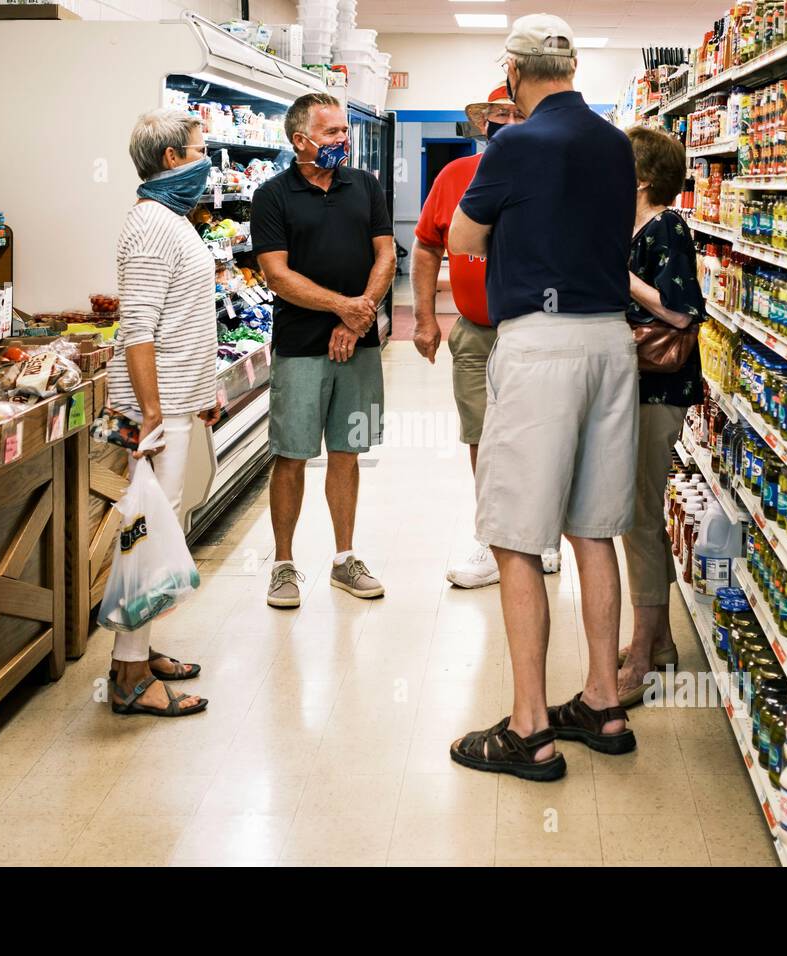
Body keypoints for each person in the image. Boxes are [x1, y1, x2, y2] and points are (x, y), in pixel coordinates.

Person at [446, 14, 640, 781]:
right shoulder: (616, 141)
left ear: (517, 73)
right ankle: (602, 701)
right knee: (594, 528)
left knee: (518, 535)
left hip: (543, 347)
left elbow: (462, 239)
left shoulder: (514, 143)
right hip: (609, 342)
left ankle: (530, 729)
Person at [412, 85, 563, 589]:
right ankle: (492, 535)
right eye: (500, 116)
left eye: (519, 115)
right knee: (482, 437)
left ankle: (542, 535)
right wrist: (426, 317)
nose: (508, 124)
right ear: (484, 125)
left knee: (540, 433)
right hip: (477, 331)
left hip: (540, 327)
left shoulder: (555, 175)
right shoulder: (456, 176)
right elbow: (428, 247)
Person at [252, 93, 397, 609]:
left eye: (343, 131)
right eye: (332, 133)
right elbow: (277, 274)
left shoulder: (366, 186)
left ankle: (344, 558)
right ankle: (284, 565)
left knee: (347, 451)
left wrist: (357, 322)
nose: (343, 140)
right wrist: (344, 308)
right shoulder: (273, 196)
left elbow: (386, 253)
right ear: (301, 141)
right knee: (290, 455)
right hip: (300, 346)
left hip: (357, 344)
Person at [104, 109, 223, 717]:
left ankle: (140, 646)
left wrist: (205, 388)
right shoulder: (152, 225)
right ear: (173, 158)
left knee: (158, 526)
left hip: (179, 401)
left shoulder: (170, 220)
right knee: (146, 538)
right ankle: (128, 676)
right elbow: (139, 331)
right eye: (201, 149)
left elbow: (183, 319)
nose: (208, 161)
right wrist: (151, 412)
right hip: (159, 412)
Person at [616, 127, 705, 706]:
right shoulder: (631, 226)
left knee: (641, 517)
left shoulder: (667, 225)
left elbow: (679, 311)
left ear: (645, 177)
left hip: (658, 388)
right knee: (637, 514)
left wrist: (616, 274)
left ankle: (643, 653)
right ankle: (663, 641)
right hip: (633, 386)